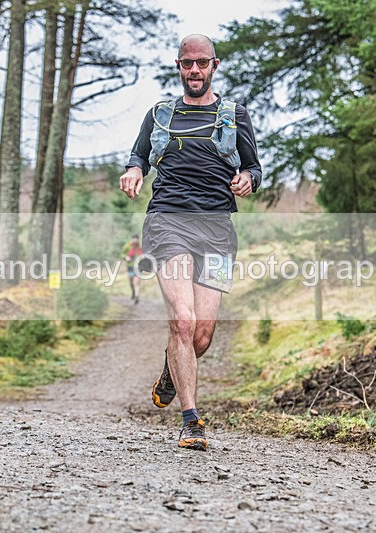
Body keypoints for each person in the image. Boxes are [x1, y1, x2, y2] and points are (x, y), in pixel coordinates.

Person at [118, 34, 262, 451]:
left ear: (215, 65)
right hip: (168, 223)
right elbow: (138, 155)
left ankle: (171, 367)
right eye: (187, 64)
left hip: (217, 231)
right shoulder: (161, 113)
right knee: (182, 320)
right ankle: (191, 420)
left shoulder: (235, 115)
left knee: (201, 335)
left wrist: (249, 180)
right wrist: (133, 172)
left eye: (202, 63)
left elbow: (254, 167)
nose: (194, 71)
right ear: (178, 66)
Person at [122, 234, 142, 304]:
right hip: (130, 266)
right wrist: (126, 257)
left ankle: (137, 297)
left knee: (137, 282)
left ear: (138, 239)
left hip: (138, 267)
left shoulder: (140, 247)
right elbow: (122, 254)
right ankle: (133, 291)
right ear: (132, 239)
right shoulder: (127, 246)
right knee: (131, 282)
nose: (135, 240)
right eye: (134, 239)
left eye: (136, 239)